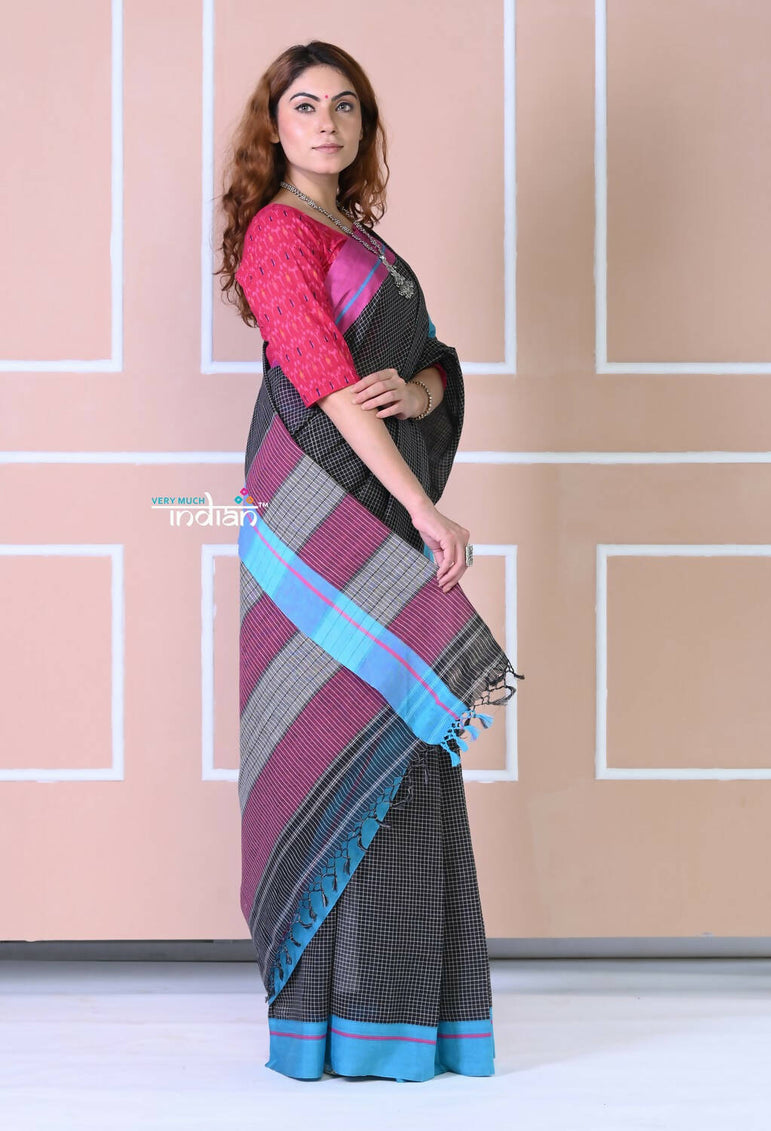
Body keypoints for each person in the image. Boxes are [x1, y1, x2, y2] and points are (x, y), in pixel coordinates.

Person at [216, 40, 522, 1083]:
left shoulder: (364, 242)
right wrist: (422, 508)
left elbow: (427, 363)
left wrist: (423, 393)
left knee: (407, 736)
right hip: (319, 517)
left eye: (345, 106)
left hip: (381, 493)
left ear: (363, 126)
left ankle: (409, 1017)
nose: (327, 123)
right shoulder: (277, 234)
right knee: (343, 730)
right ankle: (332, 1022)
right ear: (273, 127)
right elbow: (325, 382)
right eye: (305, 105)